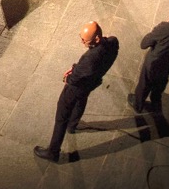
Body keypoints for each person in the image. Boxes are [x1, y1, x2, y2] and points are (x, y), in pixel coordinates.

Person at [33, 21, 119, 164]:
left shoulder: (90, 59)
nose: (82, 42)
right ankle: (73, 124)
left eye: (84, 40)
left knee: (61, 116)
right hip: (92, 82)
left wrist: (68, 76)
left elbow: (75, 77)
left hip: (76, 87)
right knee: (82, 99)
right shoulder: (112, 42)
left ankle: (53, 152)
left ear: (96, 39)